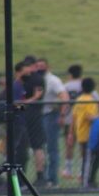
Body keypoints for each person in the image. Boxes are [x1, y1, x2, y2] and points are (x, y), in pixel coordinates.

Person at [37, 58, 69, 187]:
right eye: (37, 66)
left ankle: (52, 179)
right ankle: (42, 177)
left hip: (50, 115)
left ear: (48, 67)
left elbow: (64, 97)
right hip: (38, 116)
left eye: (42, 66)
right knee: (40, 148)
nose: (39, 69)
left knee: (52, 148)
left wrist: (62, 114)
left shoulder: (53, 81)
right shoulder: (36, 80)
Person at [20, 56, 46, 186]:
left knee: (37, 145)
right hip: (24, 113)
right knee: (21, 144)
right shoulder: (24, 79)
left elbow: (37, 97)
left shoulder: (37, 78)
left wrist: (21, 104)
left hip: (34, 114)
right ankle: (20, 176)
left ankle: (40, 176)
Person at [72, 77, 99, 188]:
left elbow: (74, 116)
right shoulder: (90, 100)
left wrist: (71, 133)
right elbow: (90, 116)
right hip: (89, 134)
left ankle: (88, 180)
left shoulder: (79, 100)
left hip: (80, 132)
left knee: (88, 157)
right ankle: (86, 182)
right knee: (89, 158)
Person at [61, 64, 83, 179]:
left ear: (70, 74)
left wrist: (62, 115)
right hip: (82, 120)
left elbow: (64, 102)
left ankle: (68, 170)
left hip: (69, 119)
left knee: (69, 144)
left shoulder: (66, 86)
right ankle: (81, 171)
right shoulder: (84, 85)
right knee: (82, 146)